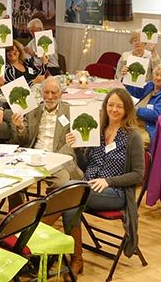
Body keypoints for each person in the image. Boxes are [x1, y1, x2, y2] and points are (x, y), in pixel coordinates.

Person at [60, 88, 145, 275]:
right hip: (87, 187)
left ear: (127, 110)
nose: (114, 109)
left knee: (69, 192)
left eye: (119, 106)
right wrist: (75, 149)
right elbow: (86, 164)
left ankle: (28, 236)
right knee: (70, 205)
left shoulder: (133, 137)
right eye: (111, 105)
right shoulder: (97, 132)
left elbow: (139, 175)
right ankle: (77, 259)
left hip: (115, 193)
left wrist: (108, 181)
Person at [9, 77, 83, 203]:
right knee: (13, 182)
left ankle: (45, 213)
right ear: (41, 93)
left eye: (53, 93)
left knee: (62, 183)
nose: (49, 97)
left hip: (58, 159)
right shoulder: (33, 110)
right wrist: (20, 127)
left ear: (60, 93)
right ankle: (17, 216)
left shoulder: (71, 112)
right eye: (46, 92)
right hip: (33, 158)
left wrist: (56, 157)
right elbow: (23, 141)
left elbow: (75, 144)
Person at [126, 64, 161, 143]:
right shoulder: (151, 85)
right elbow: (136, 92)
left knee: (128, 139)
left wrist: (136, 110)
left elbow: (156, 114)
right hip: (137, 121)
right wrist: (126, 78)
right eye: (156, 74)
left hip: (149, 128)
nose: (158, 78)